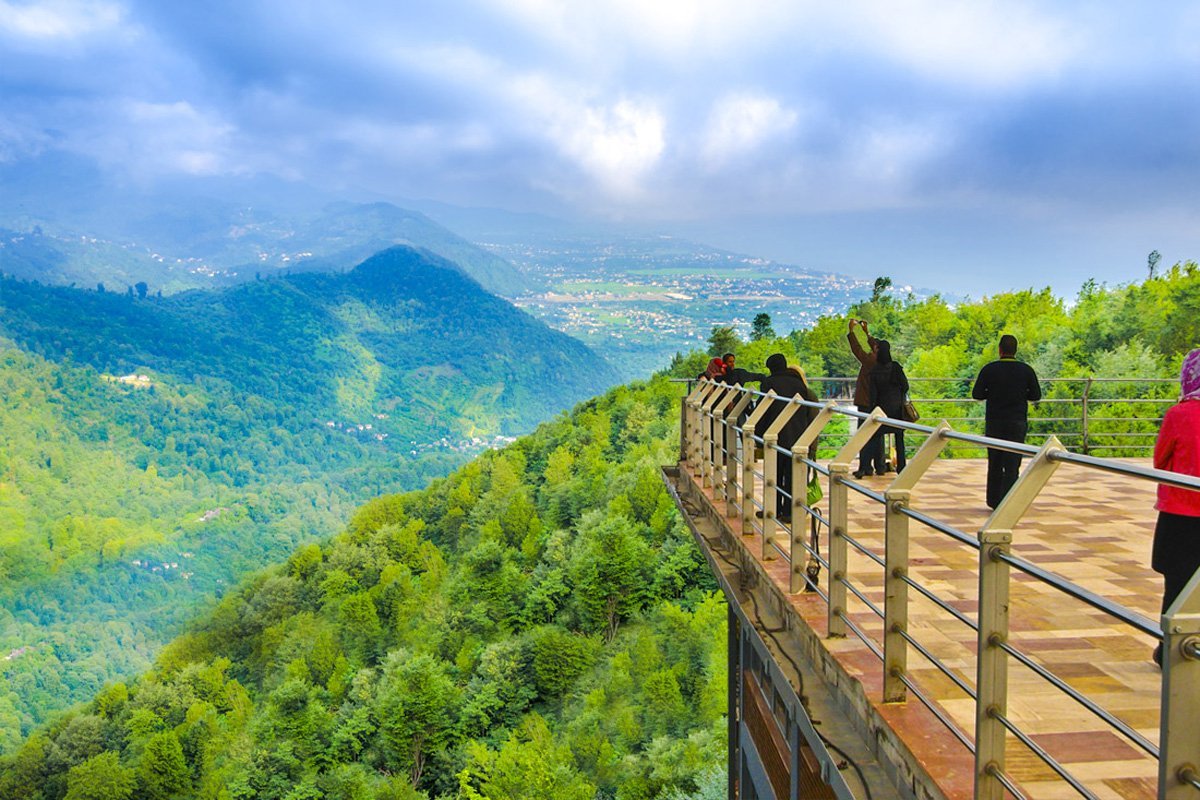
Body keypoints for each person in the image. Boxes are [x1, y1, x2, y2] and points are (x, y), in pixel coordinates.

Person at [1150, 347, 1200, 666]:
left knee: (1177, 584)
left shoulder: (1178, 415)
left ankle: (1169, 650)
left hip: (1179, 513)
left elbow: (1160, 460)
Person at [971, 334, 1042, 509]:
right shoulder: (1026, 370)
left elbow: (977, 394)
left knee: (995, 460)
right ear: (1015, 350)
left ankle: (994, 500)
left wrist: (993, 393)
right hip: (1017, 421)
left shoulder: (989, 369)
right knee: (1012, 462)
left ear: (1000, 350)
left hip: (995, 421)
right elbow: (1036, 395)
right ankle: (1010, 501)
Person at [756, 353, 819, 523]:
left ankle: (773, 509)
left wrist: (758, 436)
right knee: (792, 476)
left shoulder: (769, 383)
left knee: (774, 475)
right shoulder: (799, 384)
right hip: (797, 435)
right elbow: (806, 411)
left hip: (775, 436)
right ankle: (790, 512)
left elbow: (763, 410)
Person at [868, 340, 910, 473]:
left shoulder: (875, 370)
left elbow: (872, 393)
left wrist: (873, 407)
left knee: (876, 437)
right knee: (899, 438)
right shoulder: (896, 367)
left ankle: (878, 466)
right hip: (897, 408)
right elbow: (905, 386)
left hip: (881, 409)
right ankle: (901, 467)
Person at [847, 319, 881, 478]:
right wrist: (866, 333)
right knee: (877, 435)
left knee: (864, 434)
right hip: (878, 404)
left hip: (866, 402)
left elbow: (857, 349)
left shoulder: (869, 362)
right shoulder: (882, 362)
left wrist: (852, 332)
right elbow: (873, 345)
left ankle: (865, 466)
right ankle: (879, 465)